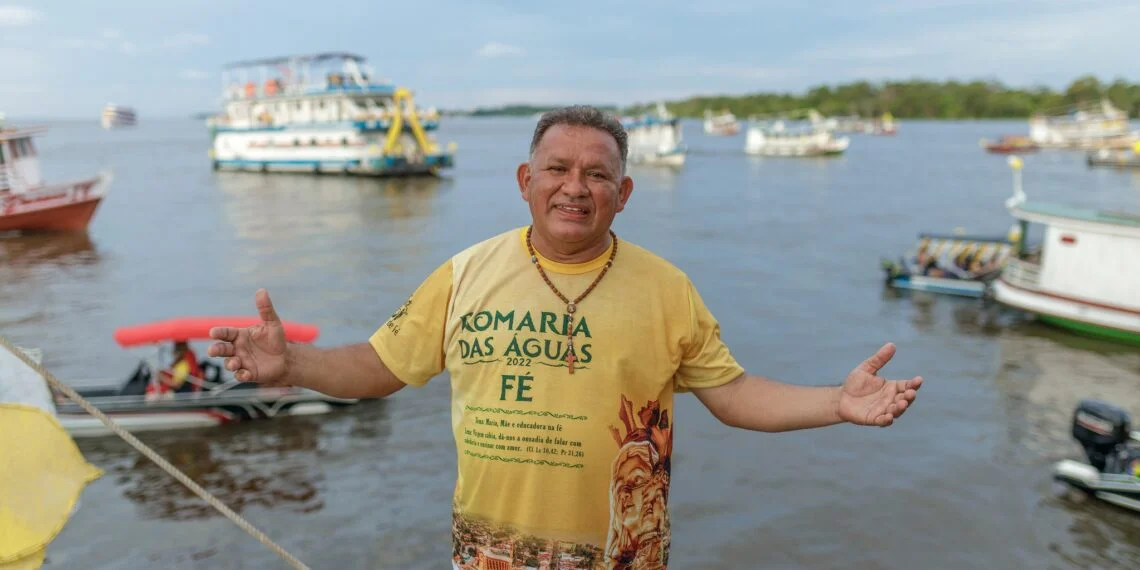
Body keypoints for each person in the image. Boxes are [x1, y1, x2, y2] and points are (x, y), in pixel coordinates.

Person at [208, 105, 923, 569]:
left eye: (596, 174)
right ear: (526, 180)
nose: (574, 187)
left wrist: (838, 402)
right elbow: (380, 364)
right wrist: (292, 362)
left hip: (621, 556)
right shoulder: (463, 275)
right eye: (557, 169)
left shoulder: (667, 290)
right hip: (487, 556)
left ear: (625, 192)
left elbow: (733, 396)